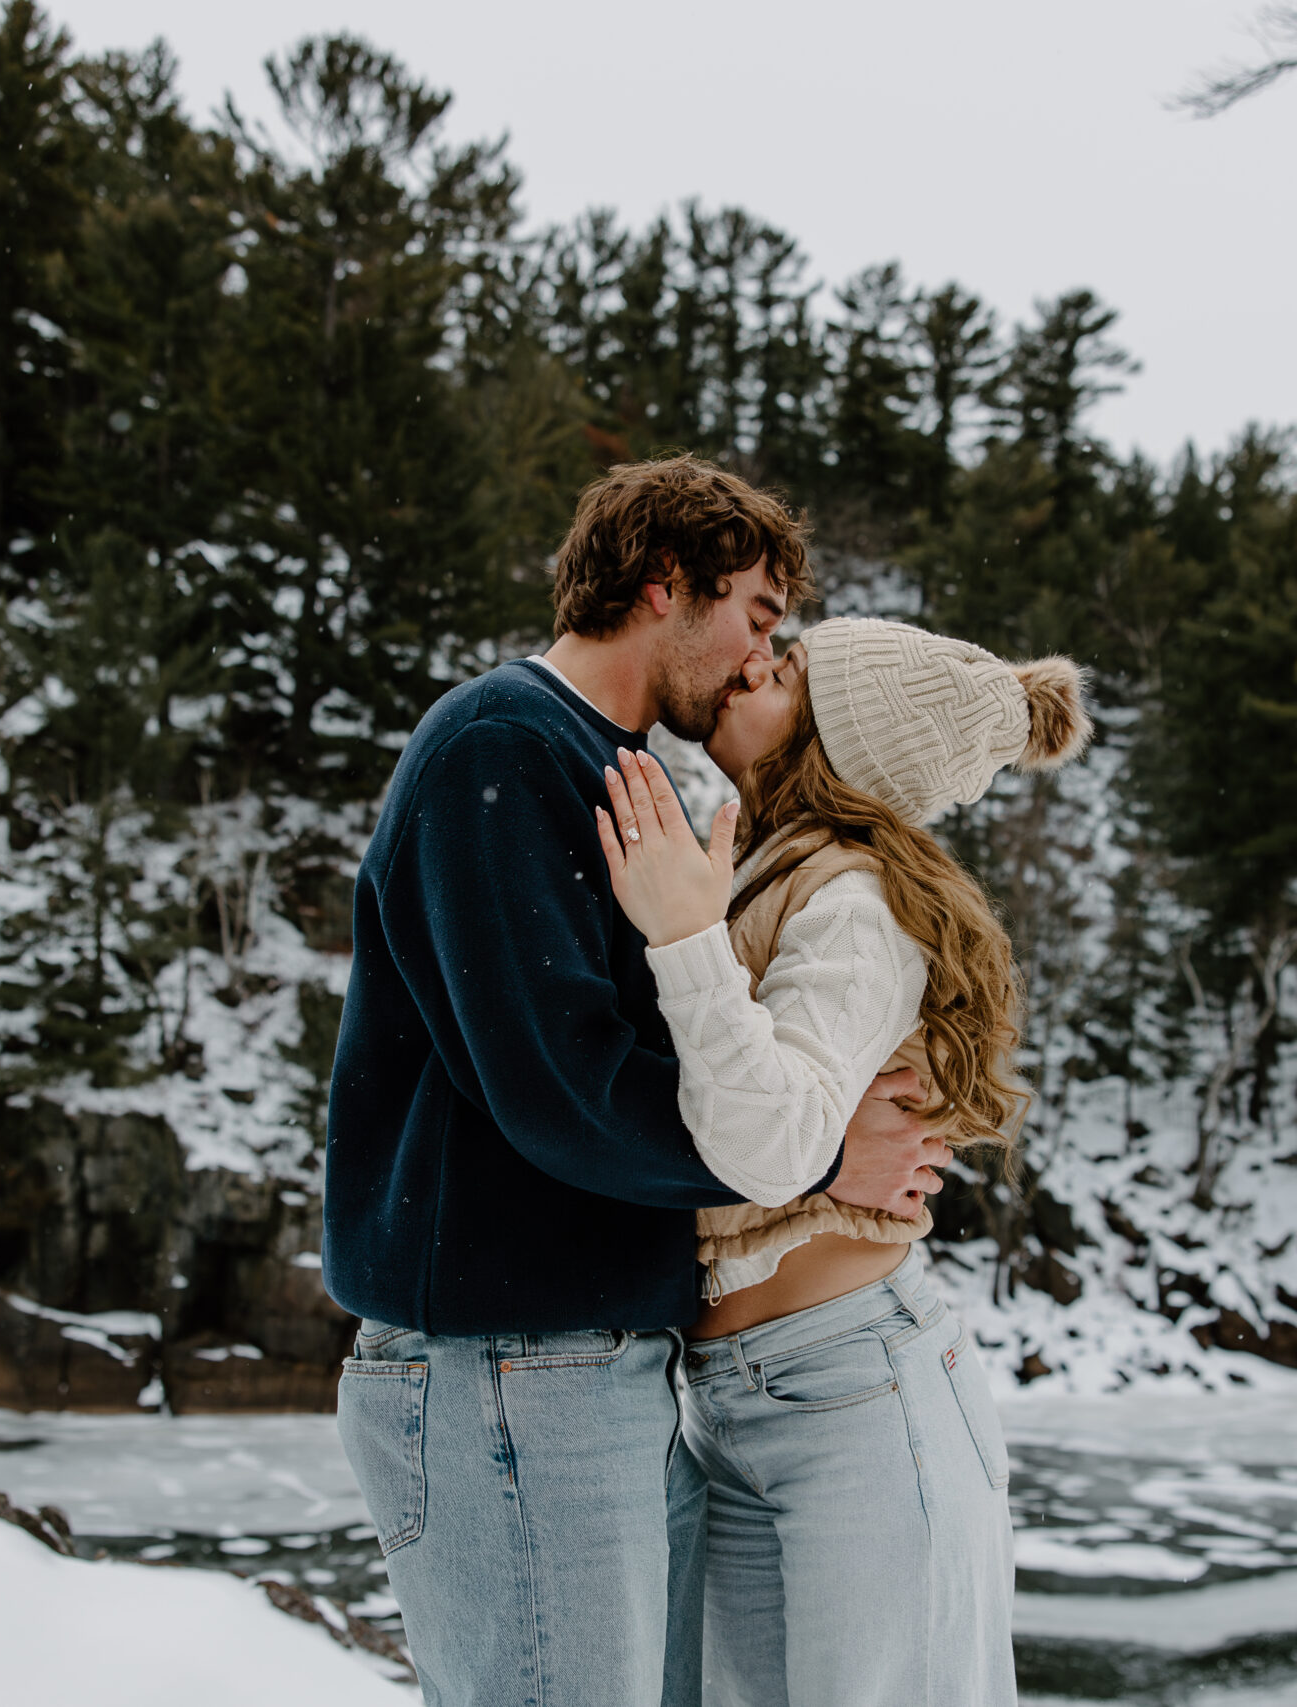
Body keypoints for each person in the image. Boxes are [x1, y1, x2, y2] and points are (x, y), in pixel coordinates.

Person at [320, 458, 951, 1707]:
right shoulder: (502, 746)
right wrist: (823, 1161)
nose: (760, 658)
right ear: (667, 583)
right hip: (503, 1367)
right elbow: (565, 1089)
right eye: (756, 616)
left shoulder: (605, 764)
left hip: (578, 1365)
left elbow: (651, 1065)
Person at [593, 615, 1091, 1707]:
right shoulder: (759, 873)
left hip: (854, 1391)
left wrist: (684, 941)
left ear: (837, 739)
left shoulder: (854, 903)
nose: (755, 661)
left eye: (788, 671)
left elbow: (771, 1146)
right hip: (735, 1398)